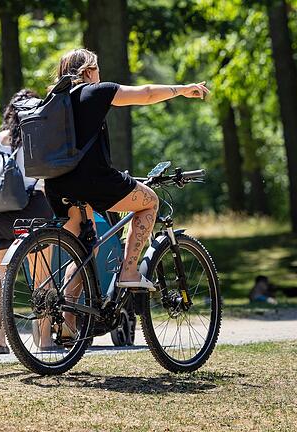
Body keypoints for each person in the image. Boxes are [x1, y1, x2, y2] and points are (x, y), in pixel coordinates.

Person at [44, 48, 209, 331]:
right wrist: (182, 89)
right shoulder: (95, 91)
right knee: (149, 202)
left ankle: (67, 322)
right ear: (89, 71)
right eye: (97, 69)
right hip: (93, 180)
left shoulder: (53, 101)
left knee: (85, 247)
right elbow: (144, 93)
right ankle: (130, 271)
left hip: (56, 184)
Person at [0, 89, 56, 353]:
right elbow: (46, 180)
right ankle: (44, 340)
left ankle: (0, 340)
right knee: (42, 279)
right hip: (33, 210)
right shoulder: (38, 138)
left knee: (0, 283)